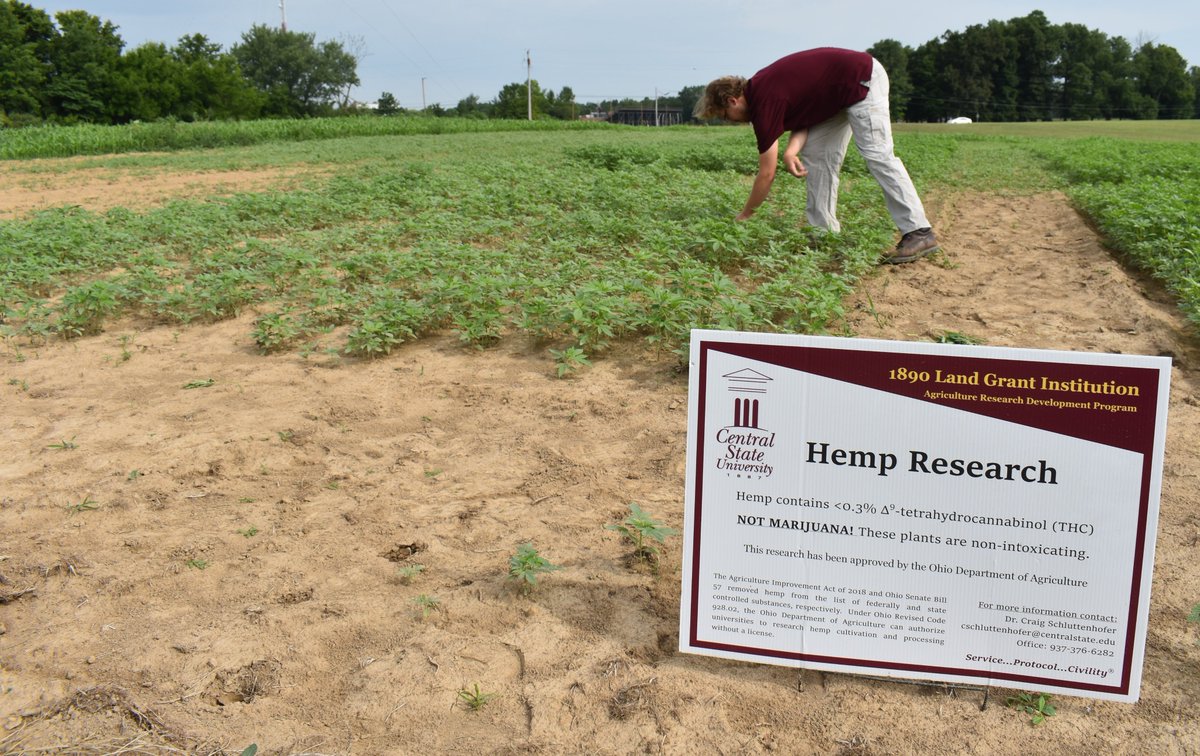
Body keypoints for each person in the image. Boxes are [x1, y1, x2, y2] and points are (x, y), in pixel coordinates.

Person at [695, 48, 939, 264]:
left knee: (877, 154)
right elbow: (806, 114)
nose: (730, 121)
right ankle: (823, 236)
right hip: (837, 96)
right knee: (817, 158)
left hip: (861, 79)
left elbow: (766, 174)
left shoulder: (764, 101)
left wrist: (746, 214)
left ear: (732, 100)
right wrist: (791, 152)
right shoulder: (763, 91)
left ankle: (919, 231)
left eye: (725, 115)